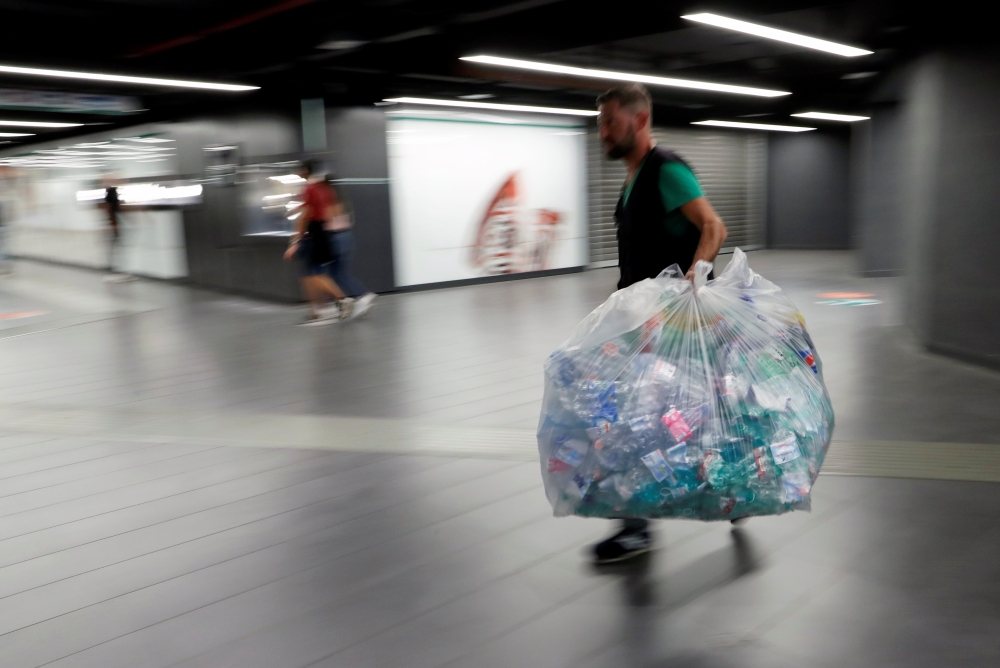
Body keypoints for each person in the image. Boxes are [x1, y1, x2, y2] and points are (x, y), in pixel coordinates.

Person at [592, 83, 728, 564]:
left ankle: (637, 529)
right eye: (600, 123)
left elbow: (713, 225)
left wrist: (699, 272)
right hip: (639, 322)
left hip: (672, 325)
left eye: (610, 121)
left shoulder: (665, 169)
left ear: (640, 120)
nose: (602, 131)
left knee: (642, 423)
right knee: (652, 421)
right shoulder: (632, 182)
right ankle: (648, 520)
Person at [283, 161, 347, 326]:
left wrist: (295, 241)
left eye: (299, 170)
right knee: (310, 275)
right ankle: (319, 310)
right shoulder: (321, 188)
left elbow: (305, 215)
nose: (297, 173)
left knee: (313, 275)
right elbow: (313, 209)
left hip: (314, 233)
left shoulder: (310, 189)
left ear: (305, 171)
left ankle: (341, 300)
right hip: (322, 232)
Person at [324, 176, 377, 318]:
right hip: (346, 237)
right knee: (338, 273)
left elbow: (327, 220)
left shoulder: (330, 201)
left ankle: (360, 296)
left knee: (333, 274)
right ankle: (354, 298)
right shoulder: (343, 201)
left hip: (335, 238)